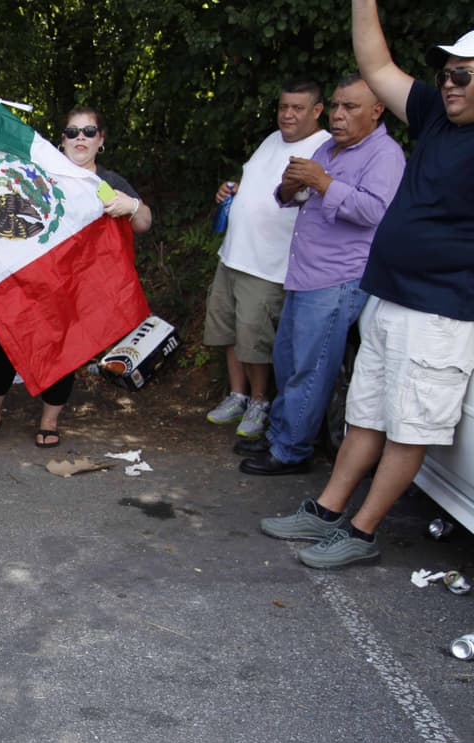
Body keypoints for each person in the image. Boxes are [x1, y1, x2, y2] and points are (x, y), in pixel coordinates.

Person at [260, 8, 474, 569]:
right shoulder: (435, 118)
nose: (448, 84)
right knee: (368, 414)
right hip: (387, 295)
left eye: (463, 75)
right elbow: (376, 63)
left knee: (410, 425)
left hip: (442, 311)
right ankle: (329, 510)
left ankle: (361, 529)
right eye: (446, 74)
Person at [238, 73, 404, 476]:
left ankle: (292, 450)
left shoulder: (385, 155)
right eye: (335, 105)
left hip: (338, 279)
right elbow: (298, 199)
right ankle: (281, 435)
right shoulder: (330, 148)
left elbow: (376, 213)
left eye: (350, 107)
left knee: (310, 370)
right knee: (289, 361)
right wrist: (289, 188)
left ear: (377, 110)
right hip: (304, 274)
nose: (339, 114)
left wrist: (323, 182)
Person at [0, 99, 152, 449]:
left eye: (89, 132)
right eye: (72, 132)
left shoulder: (106, 182)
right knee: (2, 341)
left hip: (73, 290)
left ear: (101, 139)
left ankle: (49, 420)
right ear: (61, 139)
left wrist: (133, 206)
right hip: (26, 282)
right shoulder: (40, 169)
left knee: (66, 348)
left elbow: (143, 223)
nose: (81, 138)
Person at [203, 80, 330, 440]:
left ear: (317, 110)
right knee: (228, 330)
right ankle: (237, 395)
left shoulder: (322, 149)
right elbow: (260, 186)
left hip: (269, 262)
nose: (288, 114)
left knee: (255, 339)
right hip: (233, 254)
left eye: (298, 108)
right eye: (283, 107)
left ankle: (260, 402)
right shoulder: (271, 140)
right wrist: (233, 191)